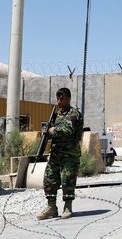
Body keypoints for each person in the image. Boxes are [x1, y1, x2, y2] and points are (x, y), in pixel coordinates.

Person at [36, 87, 83, 220]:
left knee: (68, 180)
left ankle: (67, 207)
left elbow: (67, 129)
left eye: (62, 98)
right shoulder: (56, 115)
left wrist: (51, 131)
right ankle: (51, 208)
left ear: (68, 98)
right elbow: (50, 130)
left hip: (70, 155)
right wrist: (46, 131)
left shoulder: (74, 114)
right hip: (56, 153)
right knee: (49, 179)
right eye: (58, 98)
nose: (59, 101)